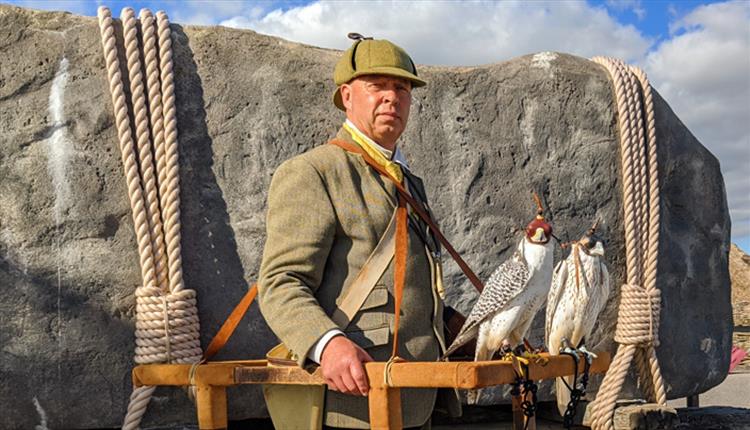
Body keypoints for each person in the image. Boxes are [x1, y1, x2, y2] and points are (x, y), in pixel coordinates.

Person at [258, 34, 459, 429]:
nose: (392, 97)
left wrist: (463, 327)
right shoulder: (314, 172)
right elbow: (281, 283)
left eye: (401, 87)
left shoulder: (409, 183)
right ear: (347, 96)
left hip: (416, 396)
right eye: (377, 86)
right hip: (351, 403)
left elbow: (413, 292)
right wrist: (327, 344)